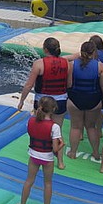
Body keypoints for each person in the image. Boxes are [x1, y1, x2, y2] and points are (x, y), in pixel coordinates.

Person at [17, 37, 71, 170]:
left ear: (45, 49)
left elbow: (29, 85)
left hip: (42, 101)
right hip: (60, 101)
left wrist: (22, 100)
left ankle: (36, 154)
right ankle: (60, 162)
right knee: (57, 132)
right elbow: (69, 84)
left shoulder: (39, 64)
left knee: (40, 129)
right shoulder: (67, 64)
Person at [16, 95, 63, 204]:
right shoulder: (54, 127)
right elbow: (55, 149)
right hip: (47, 158)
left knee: (29, 180)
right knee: (47, 183)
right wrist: (62, 144)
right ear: (53, 109)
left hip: (33, 154)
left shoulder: (31, 120)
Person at [66, 41, 103, 161]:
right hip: (93, 100)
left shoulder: (72, 65)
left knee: (75, 127)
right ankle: (96, 153)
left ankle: (73, 152)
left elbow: (69, 84)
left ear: (81, 51)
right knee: (91, 127)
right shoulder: (100, 67)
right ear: (94, 52)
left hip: (75, 98)